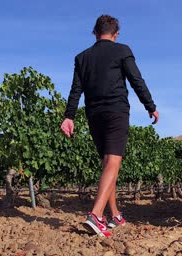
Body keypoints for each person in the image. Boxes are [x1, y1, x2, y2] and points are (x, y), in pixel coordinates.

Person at [60, 14, 159, 237]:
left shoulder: (82, 57)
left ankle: (115, 216)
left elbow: (76, 89)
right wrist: (150, 106)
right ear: (115, 34)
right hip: (116, 111)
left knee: (107, 165)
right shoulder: (122, 50)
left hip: (93, 114)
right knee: (113, 163)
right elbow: (136, 80)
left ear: (95, 33)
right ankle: (95, 215)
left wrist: (69, 116)